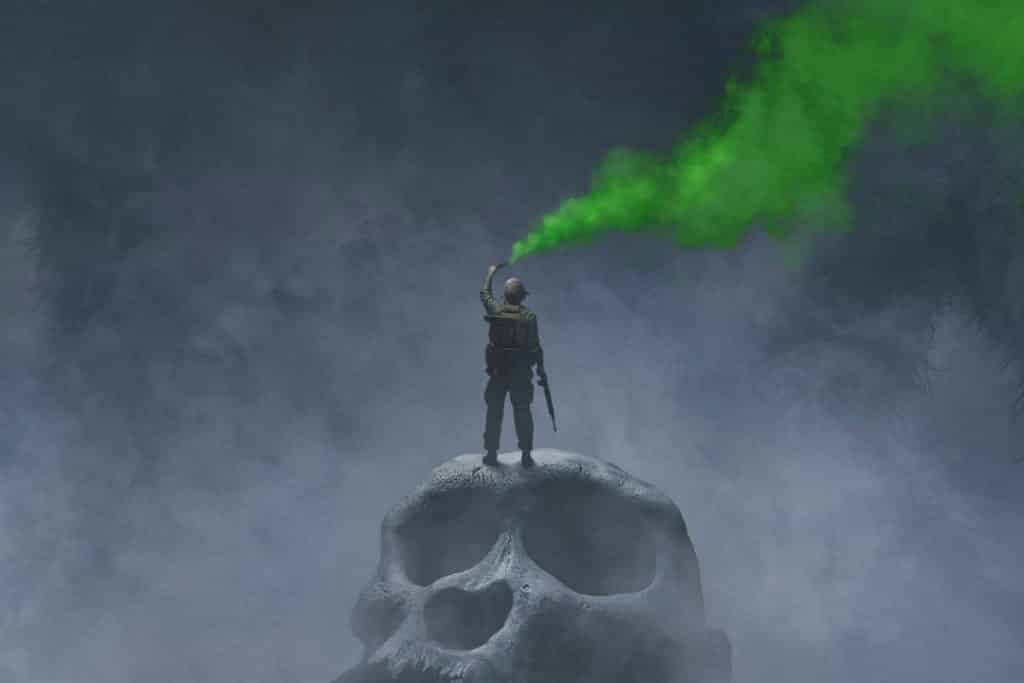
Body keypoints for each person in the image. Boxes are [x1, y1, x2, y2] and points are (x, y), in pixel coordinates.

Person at [480, 262, 545, 467]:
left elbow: (485, 294)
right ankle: (526, 454)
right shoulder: (529, 318)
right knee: (523, 412)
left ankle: (491, 453)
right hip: (520, 374)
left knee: (494, 412)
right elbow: (535, 347)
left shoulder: (496, 311)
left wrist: (491, 272)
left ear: (506, 295)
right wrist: (541, 370)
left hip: (498, 373)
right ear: (522, 297)